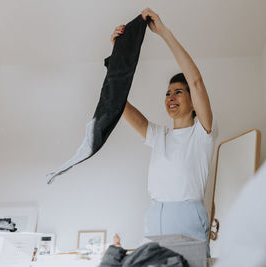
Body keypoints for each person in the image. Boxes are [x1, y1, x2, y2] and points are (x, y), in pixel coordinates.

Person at [111, 8, 217, 257]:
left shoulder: (203, 133)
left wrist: (164, 33)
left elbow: (196, 81)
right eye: (168, 93)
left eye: (178, 92)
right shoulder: (159, 136)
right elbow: (118, 104)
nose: (171, 97)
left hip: (188, 221)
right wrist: (117, 56)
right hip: (156, 219)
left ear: (193, 102)